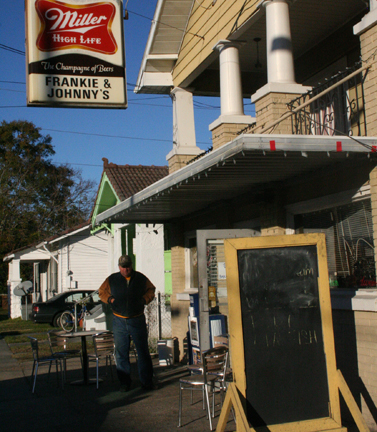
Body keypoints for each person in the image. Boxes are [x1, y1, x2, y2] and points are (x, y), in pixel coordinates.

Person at [99, 255, 156, 392]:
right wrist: (111, 300)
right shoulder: (112, 279)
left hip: (137, 319)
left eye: (128, 266)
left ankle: (146, 382)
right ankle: (125, 383)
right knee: (121, 353)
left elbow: (151, 290)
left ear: (132, 265)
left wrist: (144, 300)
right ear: (119, 267)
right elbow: (101, 292)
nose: (126, 269)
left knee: (143, 352)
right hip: (119, 320)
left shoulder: (141, 278)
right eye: (123, 267)